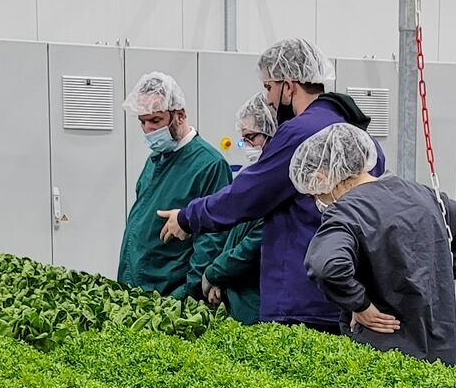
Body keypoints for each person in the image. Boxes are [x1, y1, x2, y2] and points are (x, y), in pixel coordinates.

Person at [156, 38, 384, 333]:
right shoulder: (361, 138)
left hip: (300, 299)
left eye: (268, 87)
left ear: (289, 86)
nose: (268, 99)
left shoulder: (298, 133)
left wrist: (188, 217)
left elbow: (247, 195)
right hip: (344, 294)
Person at [291, 123, 456, 369]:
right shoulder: (421, 193)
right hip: (444, 352)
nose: (318, 200)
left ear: (322, 178)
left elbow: (326, 266)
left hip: (386, 354)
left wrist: (361, 305)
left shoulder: (345, 211)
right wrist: (439, 270)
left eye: (315, 193)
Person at [116, 72, 230, 298]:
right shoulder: (156, 159)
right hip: (136, 286)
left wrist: (187, 293)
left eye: (156, 120)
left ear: (180, 115)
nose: (148, 129)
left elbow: (212, 240)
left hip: (168, 293)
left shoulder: (209, 165)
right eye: (143, 121)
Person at [189, 95, 276, 324]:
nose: (246, 146)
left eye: (251, 138)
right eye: (243, 139)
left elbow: (252, 246)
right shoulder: (256, 183)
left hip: (258, 305)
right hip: (237, 300)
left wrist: (214, 273)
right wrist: (221, 279)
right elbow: (235, 237)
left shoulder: (277, 188)